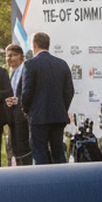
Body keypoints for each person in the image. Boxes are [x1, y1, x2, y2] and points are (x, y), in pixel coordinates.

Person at [20, 31, 74, 164]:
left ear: (34, 45)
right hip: (58, 116)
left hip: (38, 117)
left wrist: (26, 109)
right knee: (58, 152)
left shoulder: (30, 64)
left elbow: (27, 91)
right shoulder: (62, 64)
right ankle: (62, 182)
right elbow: (69, 91)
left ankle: (43, 183)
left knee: (40, 153)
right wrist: (62, 107)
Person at [4, 43, 31, 166]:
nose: (10, 58)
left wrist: (18, 100)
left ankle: (26, 172)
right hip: (12, 115)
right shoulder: (11, 72)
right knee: (13, 147)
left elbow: (30, 92)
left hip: (23, 115)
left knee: (23, 147)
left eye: (13, 55)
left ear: (21, 56)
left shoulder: (26, 71)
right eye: (7, 56)